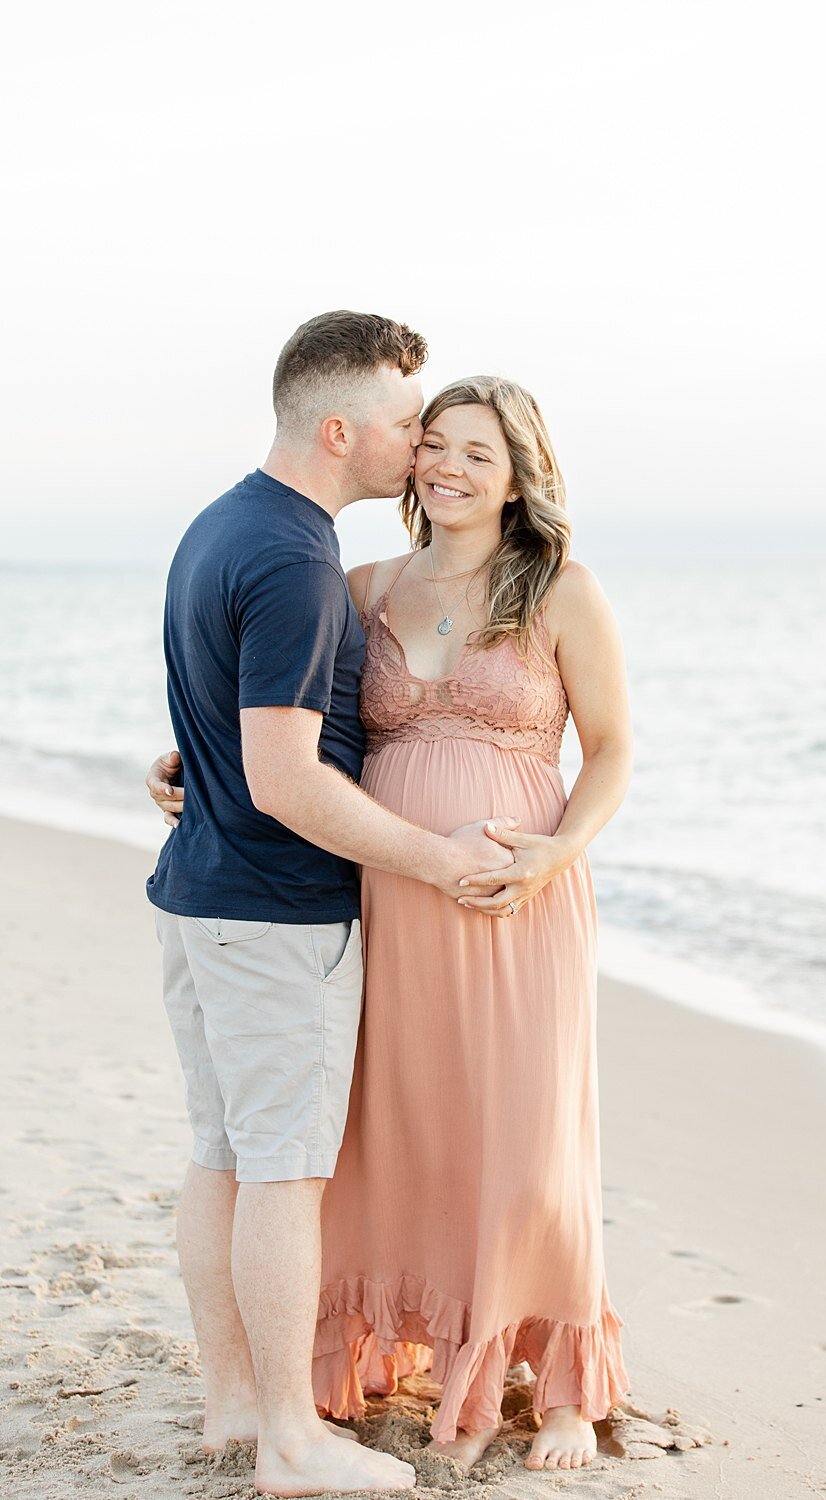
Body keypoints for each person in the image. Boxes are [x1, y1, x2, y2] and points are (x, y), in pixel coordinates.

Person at [151, 374, 633, 1472]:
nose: (448, 467)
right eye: (435, 445)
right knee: (405, 1129)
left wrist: (558, 851)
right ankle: (424, 1348)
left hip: (516, 897)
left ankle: (554, 1378)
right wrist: (195, 762)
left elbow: (610, 750)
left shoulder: (562, 590)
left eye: (478, 453)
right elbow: (286, 714)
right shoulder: (363, 586)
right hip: (386, 894)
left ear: (520, 478)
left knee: (527, 1132)